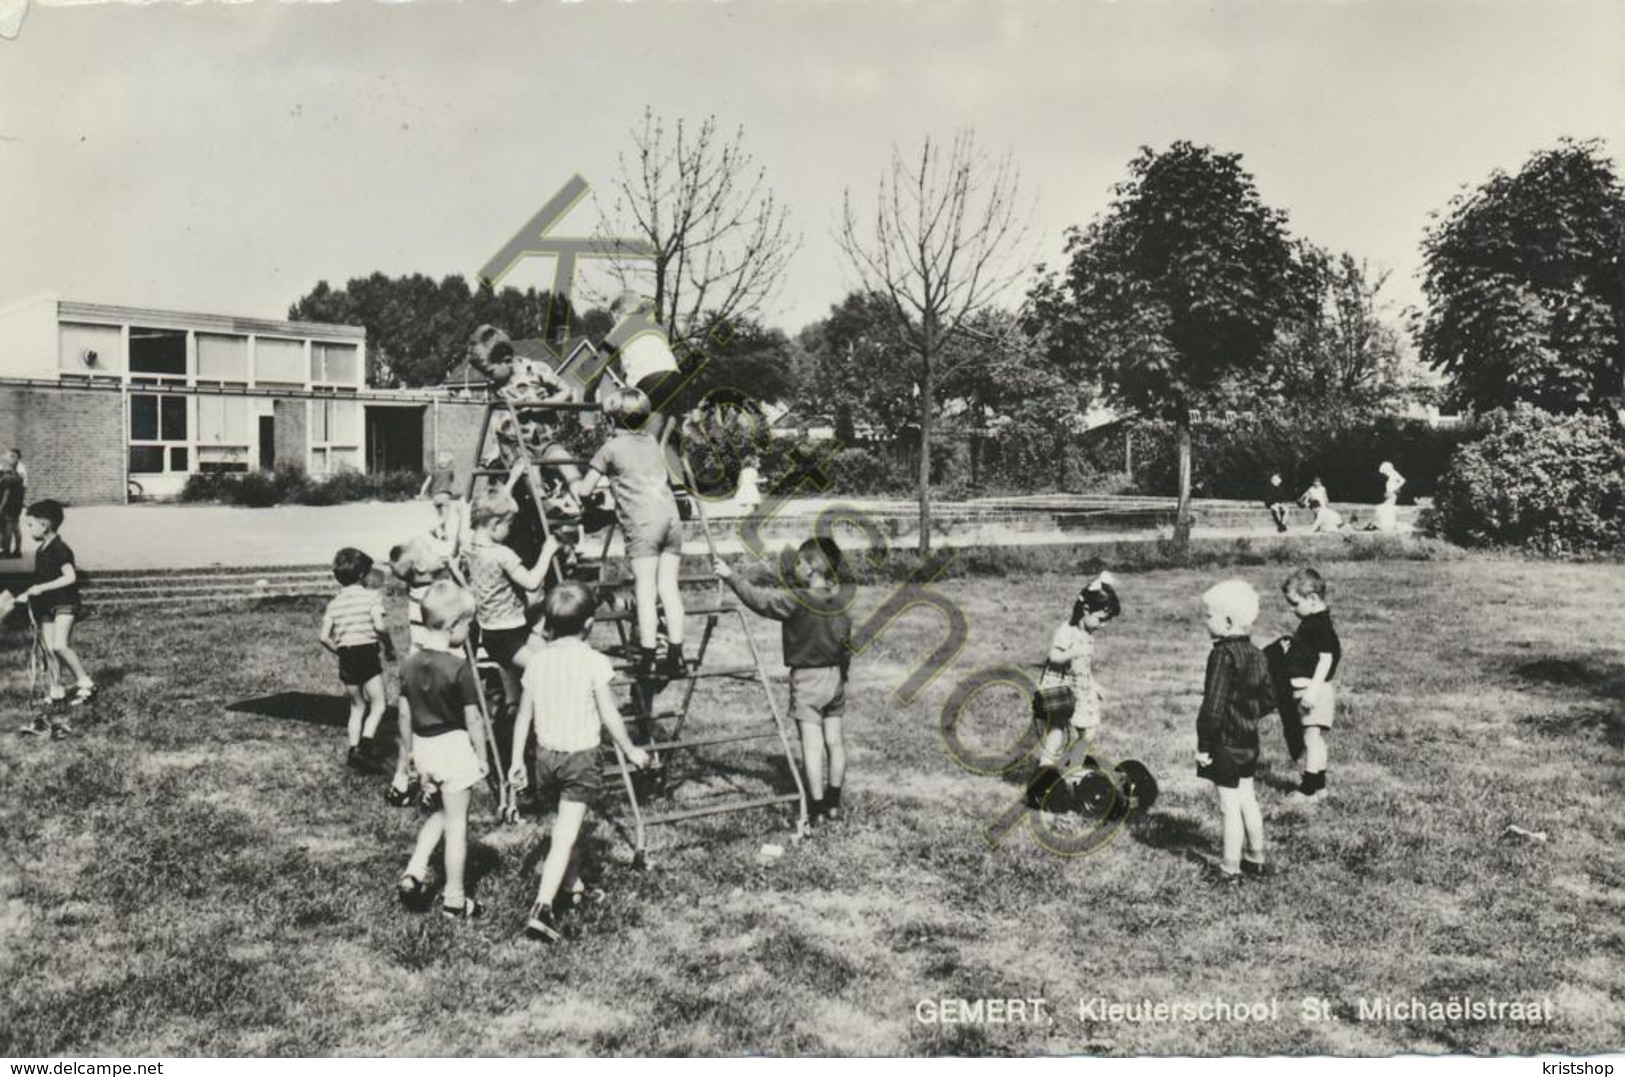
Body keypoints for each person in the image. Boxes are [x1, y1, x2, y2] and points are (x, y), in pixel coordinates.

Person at [509, 582, 651, 942]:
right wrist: (632, 750)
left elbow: (522, 716)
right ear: (589, 624)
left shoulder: (537, 661)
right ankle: (542, 907)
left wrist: (516, 762)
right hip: (579, 758)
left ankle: (574, 885)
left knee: (565, 825)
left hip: (544, 758)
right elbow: (610, 716)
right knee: (565, 835)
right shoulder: (594, 661)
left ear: (548, 623)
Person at [715, 537, 854, 825]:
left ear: (813, 568)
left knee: (812, 746)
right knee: (835, 742)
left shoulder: (796, 598)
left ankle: (815, 808)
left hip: (807, 680)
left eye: (801, 562)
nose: (796, 567)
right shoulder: (839, 600)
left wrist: (732, 577)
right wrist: (843, 675)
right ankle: (833, 803)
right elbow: (846, 643)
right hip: (835, 678)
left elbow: (759, 601)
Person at [574, 388, 687, 681]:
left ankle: (648, 658)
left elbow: (585, 488)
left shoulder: (610, 448)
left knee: (645, 592)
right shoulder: (651, 441)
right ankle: (676, 655)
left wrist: (580, 496)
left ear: (611, 419)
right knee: (669, 590)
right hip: (671, 519)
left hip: (643, 525)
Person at [395, 580, 490, 921]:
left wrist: (408, 756)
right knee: (457, 828)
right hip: (453, 748)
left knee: (439, 813)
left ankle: (415, 870)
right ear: (453, 626)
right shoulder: (459, 668)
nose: (468, 631)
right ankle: (455, 898)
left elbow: (404, 714)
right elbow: (474, 719)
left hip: (424, 746)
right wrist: (482, 757)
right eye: (467, 625)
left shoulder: (408, 663)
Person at [1195, 579, 1277, 884]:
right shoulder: (1257, 653)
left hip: (1224, 742)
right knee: (1248, 798)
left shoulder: (1221, 656)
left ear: (1227, 621)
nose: (1205, 621)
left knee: (1228, 806)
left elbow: (1212, 707)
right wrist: (1249, 714)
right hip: (1248, 741)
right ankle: (1256, 858)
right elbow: (1269, 697)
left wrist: (1204, 744)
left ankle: (1230, 868)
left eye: (1209, 615)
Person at [1024, 571, 1122, 811]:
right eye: (1101, 618)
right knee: (1056, 732)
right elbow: (1054, 656)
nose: (1103, 625)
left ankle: (1071, 772)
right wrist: (1071, 653)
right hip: (1061, 689)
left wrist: (1093, 684)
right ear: (1086, 609)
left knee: (1087, 732)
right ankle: (1044, 775)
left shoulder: (1087, 634)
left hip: (1080, 688)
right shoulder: (1066, 631)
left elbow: (1084, 667)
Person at [462, 493, 560, 709]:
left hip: (500, 631)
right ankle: (543, 720)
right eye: (510, 524)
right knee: (547, 671)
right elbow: (532, 582)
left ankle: (515, 713)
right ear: (495, 524)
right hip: (506, 636)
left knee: (549, 659)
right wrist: (547, 552)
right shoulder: (502, 554)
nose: (511, 529)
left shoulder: (469, 547)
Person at [385, 530, 457, 806]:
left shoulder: (418, 591)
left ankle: (402, 779)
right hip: (434, 668)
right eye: (430, 549)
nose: (437, 550)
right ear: (421, 567)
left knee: (411, 724)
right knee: (440, 726)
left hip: (415, 666)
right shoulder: (435, 594)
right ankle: (431, 786)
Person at [15, 499, 95, 731]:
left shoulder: (61, 548)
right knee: (48, 649)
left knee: (60, 646)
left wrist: (43, 588)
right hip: (47, 605)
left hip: (65, 604)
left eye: (30, 525)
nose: (27, 530)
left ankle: (86, 683)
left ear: (45, 525)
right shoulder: (41, 550)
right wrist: (29, 593)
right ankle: (57, 689)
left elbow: (70, 577)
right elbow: (41, 581)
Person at [319, 546, 396, 770]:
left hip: (347, 655)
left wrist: (340, 651)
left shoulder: (334, 604)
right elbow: (380, 626)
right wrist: (389, 647)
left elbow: (323, 637)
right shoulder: (371, 597)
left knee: (357, 706)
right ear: (363, 575)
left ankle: (353, 749)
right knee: (379, 704)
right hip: (367, 653)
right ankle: (365, 745)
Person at [1278, 567, 1341, 805]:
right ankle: (1320, 787)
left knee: (1311, 740)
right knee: (1315, 739)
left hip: (1313, 692)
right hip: (1311, 691)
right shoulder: (1314, 622)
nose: (1292, 609)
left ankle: (1307, 790)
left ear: (1312, 598)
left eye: (1295, 603)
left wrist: (1312, 691)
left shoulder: (1318, 625)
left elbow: (1326, 659)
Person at [419, 451, 463, 548]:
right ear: (448, 462)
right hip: (445, 496)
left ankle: (443, 535)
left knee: (440, 516)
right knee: (445, 517)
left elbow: (427, 482)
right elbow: (452, 480)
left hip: (435, 497)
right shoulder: (449, 471)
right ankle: (434, 528)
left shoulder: (434, 471)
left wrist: (422, 492)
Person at [0, 458, 24, 558]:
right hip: (17, 506)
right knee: (16, 527)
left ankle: (6, 551)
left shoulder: (7, 478)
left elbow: (6, 493)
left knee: (8, 528)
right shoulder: (18, 477)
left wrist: (1, 507)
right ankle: (18, 550)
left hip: (8, 506)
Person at [1373, 461, 1406, 532]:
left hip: (1392, 494)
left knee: (1387, 507)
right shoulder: (1391, 476)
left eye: (1385, 472)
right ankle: (1386, 524)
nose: (1385, 474)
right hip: (1390, 493)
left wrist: (1396, 488)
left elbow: (1403, 481)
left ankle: (1389, 524)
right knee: (1385, 507)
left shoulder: (1394, 474)